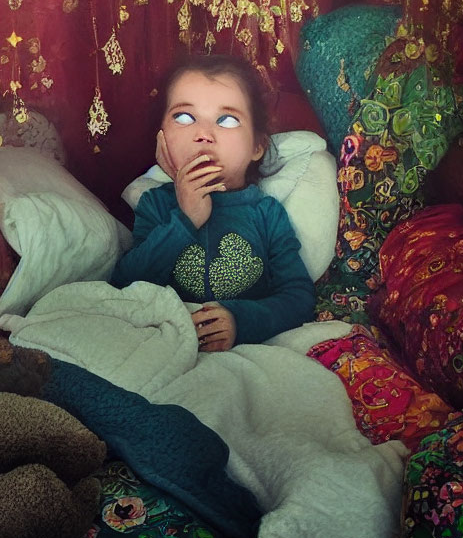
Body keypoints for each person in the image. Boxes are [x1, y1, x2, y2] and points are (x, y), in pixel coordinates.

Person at [111, 53, 315, 351]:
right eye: (184, 117)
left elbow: (298, 297)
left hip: (245, 354)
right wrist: (186, 219)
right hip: (163, 346)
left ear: (258, 146)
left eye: (227, 120)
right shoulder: (156, 204)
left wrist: (240, 321)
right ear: (161, 138)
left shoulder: (266, 213)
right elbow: (124, 285)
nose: (203, 134)